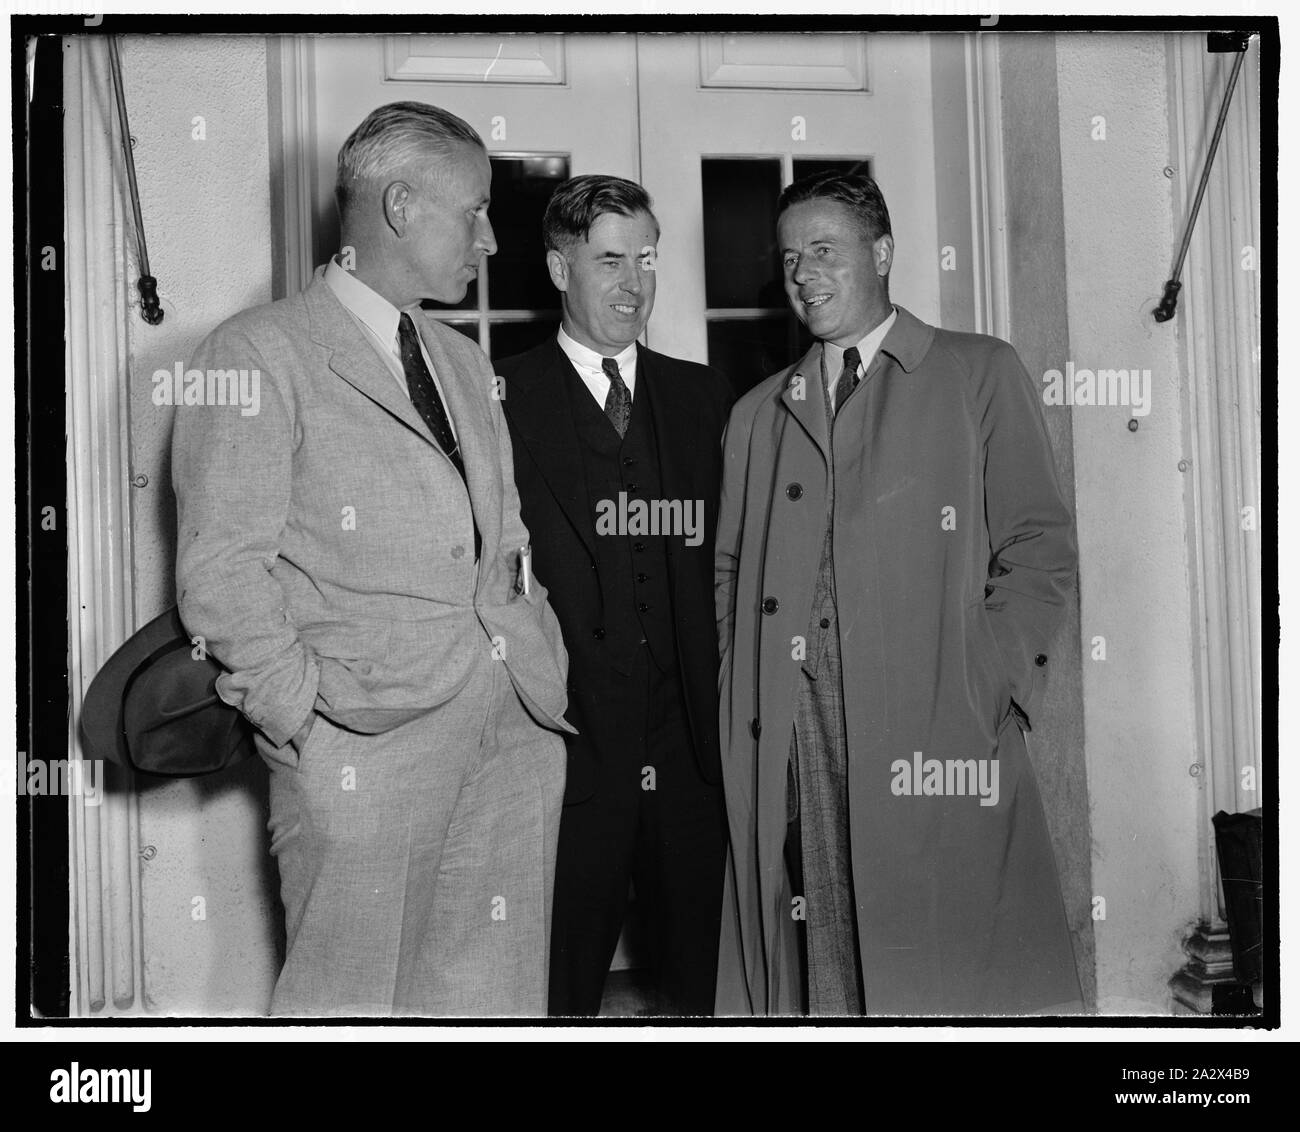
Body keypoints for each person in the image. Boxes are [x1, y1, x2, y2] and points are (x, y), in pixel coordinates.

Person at [172, 101, 573, 1016]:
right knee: (347, 1006)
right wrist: (301, 718)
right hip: (358, 745)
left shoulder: (464, 362)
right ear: (400, 206)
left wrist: (537, 669)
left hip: (511, 727)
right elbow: (220, 573)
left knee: (497, 1002)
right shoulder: (257, 352)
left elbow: (505, 538)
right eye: (474, 210)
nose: (491, 238)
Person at [714, 171, 1082, 1016]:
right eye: (791, 257)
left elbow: (1039, 545)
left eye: (826, 250)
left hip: (937, 716)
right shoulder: (757, 414)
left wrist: (988, 680)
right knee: (824, 940)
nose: (804, 273)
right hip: (796, 720)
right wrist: (750, 684)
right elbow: (730, 570)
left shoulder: (977, 370)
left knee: (946, 944)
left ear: (881, 254)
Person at [496, 175, 733, 1015]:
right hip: (565, 756)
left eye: (647, 259)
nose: (634, 284)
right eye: (609, 261)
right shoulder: (497, 397)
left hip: (690, 759)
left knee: (701, 991)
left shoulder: (705, 397)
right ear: (560, 271)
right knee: (556, 992)